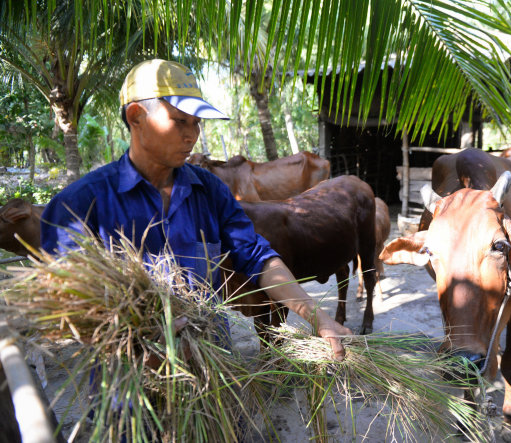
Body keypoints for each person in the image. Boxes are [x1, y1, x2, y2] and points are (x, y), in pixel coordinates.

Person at [40, 58, 351, 360]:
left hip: (213, 366)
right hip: (128, 386)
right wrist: (137, 342)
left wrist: (316, 317)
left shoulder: (210, 191)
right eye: (180, 121)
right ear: (136, 116)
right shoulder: (78, 206)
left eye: (196, 123)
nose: (192, 135)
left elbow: (258, 257)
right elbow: (65, 305)